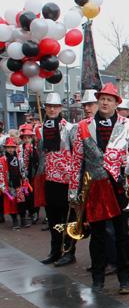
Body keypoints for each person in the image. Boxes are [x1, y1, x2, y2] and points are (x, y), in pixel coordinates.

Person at [69, 83, 129, 294]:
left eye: (109, 99)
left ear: (116, 103)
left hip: (119, 186)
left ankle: (125, 277)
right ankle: (98, 277)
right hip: (95, 187)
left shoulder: (128, 125)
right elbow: (77, 161)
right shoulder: (82, 126)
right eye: (102, 98)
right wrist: (73, 191)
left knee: (121, 234)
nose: (104, 102)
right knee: (98, 235)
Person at [38, 92, 77, 267]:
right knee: (53, 219)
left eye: (55, 106)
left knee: (68, 218)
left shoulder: (69, 128)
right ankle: (55, 251)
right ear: (45, 108)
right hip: (50, 179)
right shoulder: (41, 129)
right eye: (49, 106)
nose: (52, 109)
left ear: (60, 108)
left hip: (67, 180)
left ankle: (69, 252)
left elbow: (76, 154)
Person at [0, 137, 29, 230]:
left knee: (22, 203)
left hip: (19, 184)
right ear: (5, 148)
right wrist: (3, 186)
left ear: (15, 147)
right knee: (11, 203)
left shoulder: (19, 158)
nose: (10, 149)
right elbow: (0, 173)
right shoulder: (2, 160)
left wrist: (25, 181)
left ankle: (23, 219)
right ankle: (15, 221)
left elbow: (23, 170)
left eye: (12, 147)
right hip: (9, 185)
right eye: (8, 147)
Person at [18, 125, 37, 225]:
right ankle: (28, 213)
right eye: (25, 137)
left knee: (33, 194)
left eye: (29, 137)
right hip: (23, 176)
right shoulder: (20, 149)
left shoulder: (35, 148)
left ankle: (34, 213)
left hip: (32, 176)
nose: (27, 139)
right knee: (26, 194)